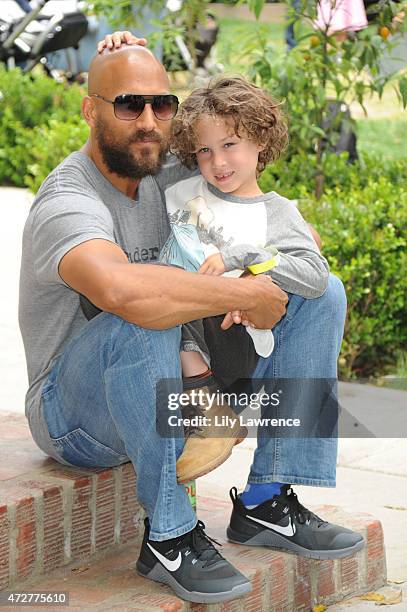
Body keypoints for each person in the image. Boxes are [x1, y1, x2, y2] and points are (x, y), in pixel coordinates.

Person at [17, 33, 363, 605]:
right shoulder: (68, 200)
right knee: (143, 310)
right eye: (129, 104)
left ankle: (267, 501)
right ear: (90, 110)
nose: (149, 120)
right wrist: (239, 296)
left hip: (175, 379)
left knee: (322, 292)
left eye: (162, 104)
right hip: (75, 414)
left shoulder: (173, 173)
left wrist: (263, 271)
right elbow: (122, 291)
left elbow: (276, 223)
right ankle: (169, 535)